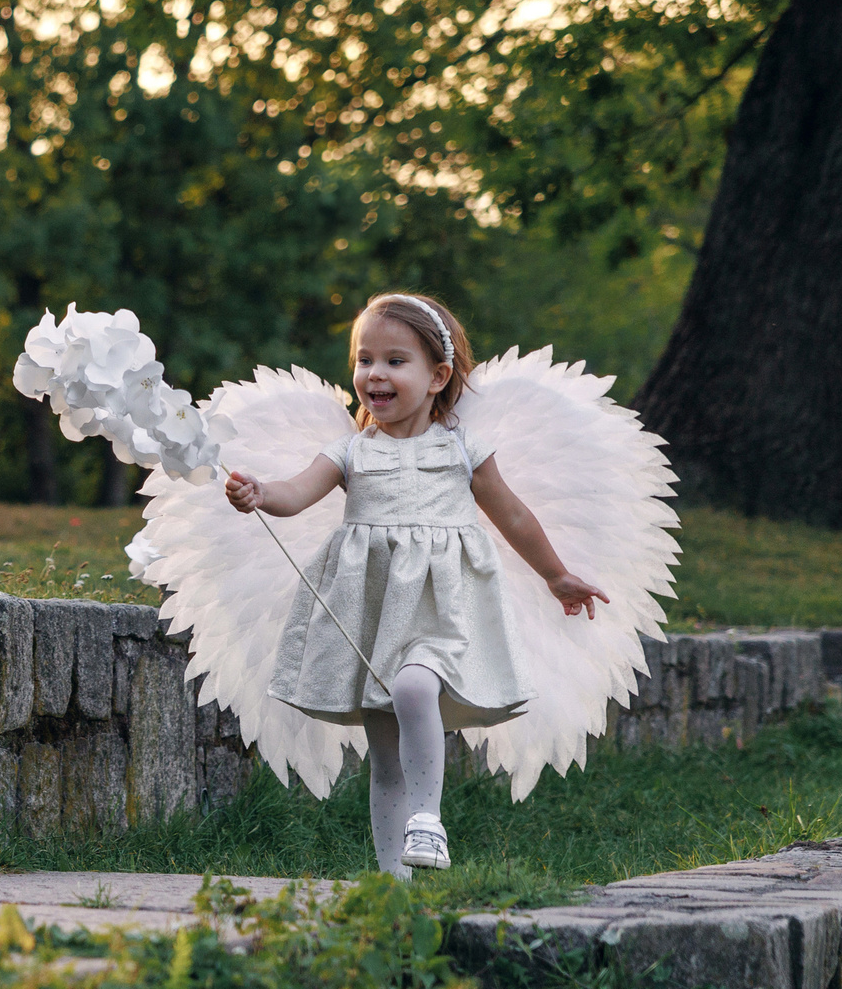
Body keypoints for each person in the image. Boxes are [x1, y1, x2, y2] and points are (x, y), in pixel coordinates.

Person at [222, 292, 608, 877]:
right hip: (371, 612)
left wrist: (556, 576)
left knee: (413, 688)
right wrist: (257, 491)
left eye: (395, 361)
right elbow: (293, 494)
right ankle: (392, 883)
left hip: (439, 610)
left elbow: (515, 516)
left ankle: (427, 819)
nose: (374, 374)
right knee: (385, 758)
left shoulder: (461, 450)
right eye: (363, 359)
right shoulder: (350, 452)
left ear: (438, 376)